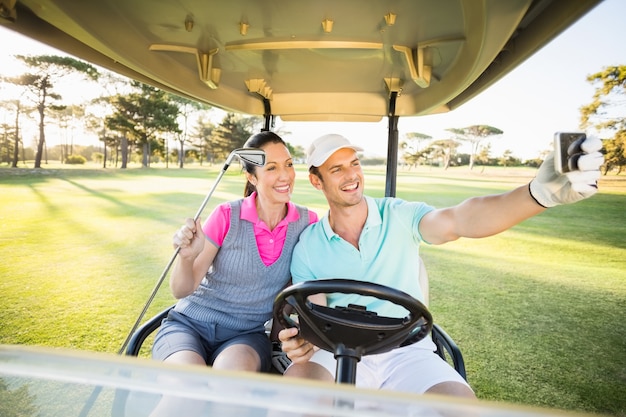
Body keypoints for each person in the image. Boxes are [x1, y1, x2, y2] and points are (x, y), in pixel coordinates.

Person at [278, 133, 604, 398]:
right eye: (336, 169)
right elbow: (314, 319)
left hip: (406, 350)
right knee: (292, 398)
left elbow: (458, 220)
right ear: (317, 181)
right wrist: (303, 340)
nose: (351, 175)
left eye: (354, 163)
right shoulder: (309, 245)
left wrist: (537, 194)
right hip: (339, 351)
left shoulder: (400, 215)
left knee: (459, 408)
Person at [149, 131, 318, 414]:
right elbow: (181, 290)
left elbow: (308, 285)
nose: (285, 175)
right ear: (251, 177)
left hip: (246, 336)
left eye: (289, 164)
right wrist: (187, 258)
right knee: (186, 393)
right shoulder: (226, 215)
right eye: (272, 168)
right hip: (188, 326)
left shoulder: (307, 221)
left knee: (231, 391)